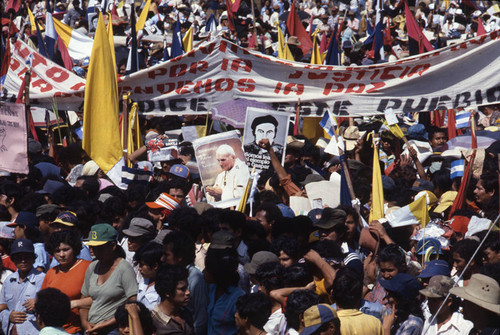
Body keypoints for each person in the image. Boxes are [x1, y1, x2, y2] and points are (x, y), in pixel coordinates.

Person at [80, 224, 138, 335]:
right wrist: (85, 323)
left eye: (100, 248)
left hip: (113, 330)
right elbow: (84, 300)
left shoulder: (124, 269)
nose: (95, 251)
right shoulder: (92, 267)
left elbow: (132, 304)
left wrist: (104, 325)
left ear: (112, 245)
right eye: (93, 247)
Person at [42, 230, 91, 334]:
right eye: (57, 251)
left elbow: (100, 298)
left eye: (66, 249)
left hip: (78, 329)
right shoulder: (51, 272)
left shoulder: (87, 267)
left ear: (74, 249)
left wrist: (73, 304)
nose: (61, 254)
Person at [0, 238, 46, 335]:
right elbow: (2, 307)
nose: (23, 260)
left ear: (34, 258)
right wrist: (9, 316)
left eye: (27, 257)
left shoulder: (43, 279)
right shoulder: (9, 281)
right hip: (11, 331)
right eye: (19, 257)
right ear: (13, 259)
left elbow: (53, 307)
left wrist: (39, 303)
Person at [152, 264, 193, 334]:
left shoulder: (186, 314)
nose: (188, 292)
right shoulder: (154, 323)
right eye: (182, 289)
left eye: (187, 288)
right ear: (167, 292)